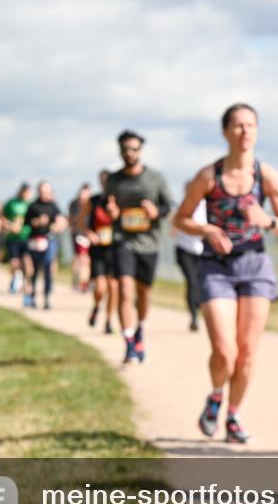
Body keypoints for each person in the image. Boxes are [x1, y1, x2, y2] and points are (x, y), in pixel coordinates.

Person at [174, 103, 278, 444]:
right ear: (226, 132)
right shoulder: (208, 176)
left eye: (251, 125)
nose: (246, 132)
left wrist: (269, 221)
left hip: (255, 266)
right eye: (239, 126)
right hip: (216, 268)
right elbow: (180, 218)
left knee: (246, 353)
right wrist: (207, 230)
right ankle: (216, 395)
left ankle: (233, 415)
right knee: (225, 351)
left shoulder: (266, 176)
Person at [105, 130, 173, 364]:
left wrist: (157, 212)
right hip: (123, 240)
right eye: (125, 149)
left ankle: (140, 327)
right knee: (124, 288)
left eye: (134, 149)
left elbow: (168, 206)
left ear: (140, 151)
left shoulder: (156, 178)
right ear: (120, 151)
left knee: (143, 291)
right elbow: (109, 206)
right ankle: (129, 342)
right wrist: (112, 212)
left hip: (149, 242)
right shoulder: (113, 180)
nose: (129, 153)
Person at [22, 181, 66, 309]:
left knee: (47, 265)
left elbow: (61, 221)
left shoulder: (53, 206)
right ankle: (32, 296)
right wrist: (36, 222)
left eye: (47, 192)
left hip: (49, 240)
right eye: (42, 192)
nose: (45, 194)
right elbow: (26, 223)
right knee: (34, 270)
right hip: (35, 240)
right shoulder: (33, 206)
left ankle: (47, 297)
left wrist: (57, 225)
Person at [87, 170, 118, 334]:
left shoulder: (119, 201)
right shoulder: (93, 201)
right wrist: (89, 233)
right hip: (98, 248)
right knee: (100, 288)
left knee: (113, 286)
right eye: (103, 181)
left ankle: (108, 320)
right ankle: (97, 305)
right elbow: (81, 222)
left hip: (115, 248)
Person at [174, 190, 206, 331]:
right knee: (192, 282)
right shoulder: (184, 205)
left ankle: (198, 305)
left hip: (202, 251)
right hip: (184, 250)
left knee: (200, 283)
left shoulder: (207, 205)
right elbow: (175, 221)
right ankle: (193, 317)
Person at [2, 183, 33, 294]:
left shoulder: (31, 204)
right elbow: (2, 217)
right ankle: (16, 278)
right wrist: (10, 226)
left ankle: (26, 283)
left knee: (27, 263)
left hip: (27, 237)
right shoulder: (12, 203)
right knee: (14, 263)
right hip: (13, 238)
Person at [68, 182, 93, 292]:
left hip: (89, 235)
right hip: (78, 235)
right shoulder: (74, 204)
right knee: (82, 258)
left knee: (86, 259)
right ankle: (79, 282)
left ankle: (84, 282)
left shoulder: (92, 204)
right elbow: (72, 219)